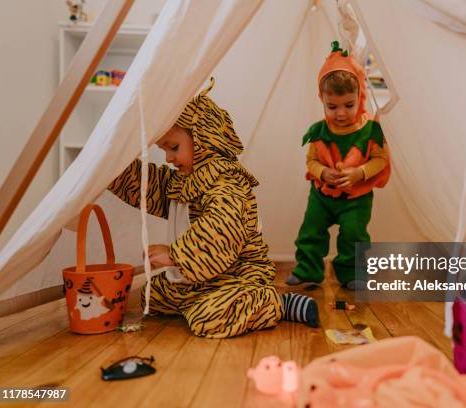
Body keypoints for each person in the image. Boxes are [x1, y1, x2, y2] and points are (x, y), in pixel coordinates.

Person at [108, 79, 318, 338]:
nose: (169, 158)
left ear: (204, 138)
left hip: (239, 275)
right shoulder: (186, 179)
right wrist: (114, 170)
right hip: (204, 277)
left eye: (174, 148)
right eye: (165, 150)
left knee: (210, 318)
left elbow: (221, 228)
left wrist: (175, 254)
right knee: (154, 293)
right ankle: (197, 302)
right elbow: (151, 186)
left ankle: (272, 301)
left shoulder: (227, 182)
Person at [286, 41, 390, 290]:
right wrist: (322, 172)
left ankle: (351, 273)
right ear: (321, 99)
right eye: (332, 107)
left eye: (348, 105)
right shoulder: (319, 131)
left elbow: (380, 159)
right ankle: (308, 269)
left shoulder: (369, 130)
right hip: (323, 194)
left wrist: (359, 173)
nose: (341, 113)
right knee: (311, 229)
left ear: (360, 97)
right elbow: (311, 160)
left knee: (354, 234)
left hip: (357, 196)